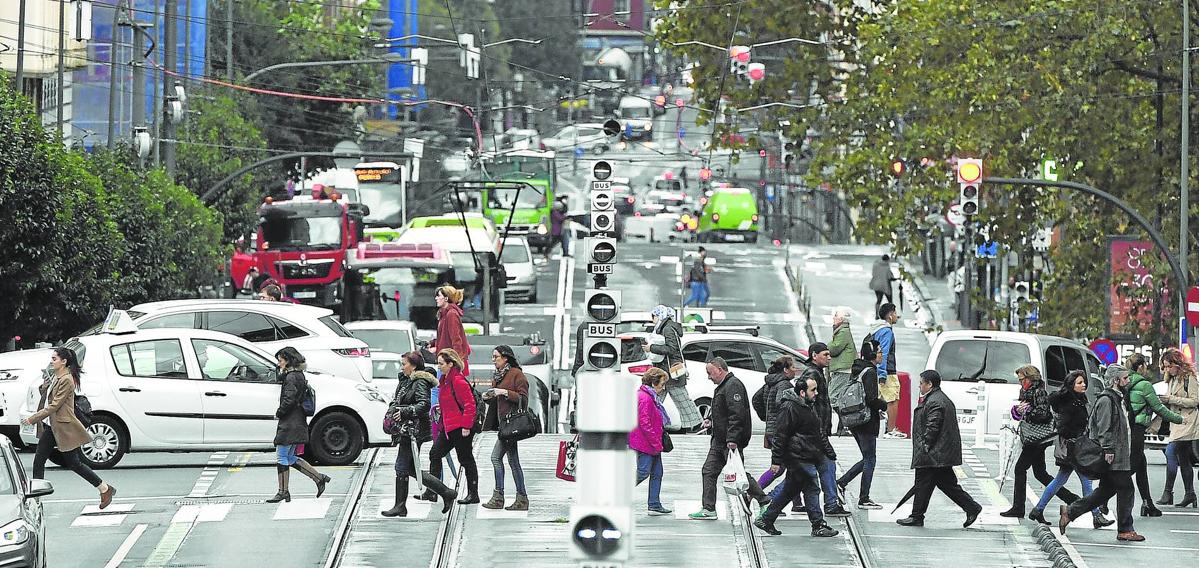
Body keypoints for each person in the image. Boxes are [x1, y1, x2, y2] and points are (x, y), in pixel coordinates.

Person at [1058, 365, 1144, 542]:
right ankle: (1125, 529)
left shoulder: (1118, 398)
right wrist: (1108, 449)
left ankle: (1070, 511)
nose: (1128, 381)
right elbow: (1104, 428)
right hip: (1114, 455)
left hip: (1119, 454)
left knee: (1105, 491)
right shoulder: (1107, 400)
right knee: (1126, 488)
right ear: (1115, 380)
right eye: (1125, 378)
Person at [22, 348, 116, 508]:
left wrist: (32, 419)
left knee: (70, 463)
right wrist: (45, 386)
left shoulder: (67, 380)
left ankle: (104, 488)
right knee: (44, 460)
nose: (52, 361)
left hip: (61, 426)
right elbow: (49, 398)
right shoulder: (57, 377)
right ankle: (104, 488)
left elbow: (54, 405)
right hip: (54, 425)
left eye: (54, 358)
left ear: (64, 361)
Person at [753, 376, 840, 538]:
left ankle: (767, 518)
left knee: (790, 490)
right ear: (801, 392)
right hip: (797, 457)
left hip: (806, 455)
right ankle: (818, 524)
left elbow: (816, 432)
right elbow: (780, 435)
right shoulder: (790, 408)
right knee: (812, 487)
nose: (816, 393)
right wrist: (776, 461)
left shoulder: (807, 406)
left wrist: (828, 452)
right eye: (812, 390)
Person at [897, 370, 982, 528]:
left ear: (930, 384)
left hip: (934, 453)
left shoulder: (935, 401)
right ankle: (971, 507)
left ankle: (917, 516)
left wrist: (925, 446)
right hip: (940, 453)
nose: (919, 386)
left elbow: (933, 426)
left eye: (921, 383)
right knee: (945, 483)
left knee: (923, 482)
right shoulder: (936, 398)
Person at [1028, 371, 1113, 527]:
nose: (1084, 385)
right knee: (1086, 483)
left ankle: (1038, 509)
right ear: (1071, 385)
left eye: (1084, 382)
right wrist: (1075, 438)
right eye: (1080, 383)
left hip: (1074, 448)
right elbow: (1063, 426)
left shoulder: (1078, 400)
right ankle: (1096, 516)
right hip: (1073, 449)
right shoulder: (1070, 403)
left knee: (1060, 480)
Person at [689, 358, 770, 519]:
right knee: (709, 471)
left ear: (720, 369)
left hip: (729, 441)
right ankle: (709, 508)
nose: (709, 377)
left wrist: (732, 439)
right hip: (719, 440)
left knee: (738, 474)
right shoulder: (723, 386)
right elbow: (723, 410)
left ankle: (764, 500)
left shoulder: (733, 385)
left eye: (710, 373)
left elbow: (737, 414)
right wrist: (711, 420)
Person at [382, 353, 457, 517]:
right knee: (408, 468)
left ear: (414, 365)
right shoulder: (405, 380)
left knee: (402, 467)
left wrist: (405, 411)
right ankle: (445, 492)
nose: (402, 367)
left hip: (415, 430)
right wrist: (393, 409)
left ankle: (400, 506)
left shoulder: (420, 381)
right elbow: (399, 400)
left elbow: (424, 404)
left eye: (404, 364)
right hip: (406, 428)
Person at [1000, 365, 1080, 518]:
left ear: (1030, 378)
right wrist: (1017, 410)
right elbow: (1020, 416)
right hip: (1032, 437)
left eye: (1022, 379)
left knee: (1020, 469)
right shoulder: (1024, 391)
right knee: (1040, 474)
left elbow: (1044, 414)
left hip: (1038, 438)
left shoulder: (1039, 391)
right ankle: (1071, 499)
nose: (1020, 383)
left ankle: (1018, 507)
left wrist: (1028, 410)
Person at [267, 347, 330, 503]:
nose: (278, 363)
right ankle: (319, 478)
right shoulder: (297, 375)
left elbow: (289, 399)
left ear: (288, 361)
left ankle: (283, 491)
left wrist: (279, 412)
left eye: (280, 360)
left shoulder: (291, 378)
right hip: (297, 421)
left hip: (290, 422)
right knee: (289, 456)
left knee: (282, 456)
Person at [1126, 353, 1181, 515]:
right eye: (1145, 365)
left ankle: (1148, 504)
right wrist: (1180, 419)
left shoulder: (1126, 381)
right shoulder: (1144, 385)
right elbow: (1159, 408)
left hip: (1129, 429)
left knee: (1141, 468)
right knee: (1129, 470)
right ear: (1141, 366)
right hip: (1137, 430)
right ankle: (1100, 501)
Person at [837, 339, 889, 509]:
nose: (882, 354)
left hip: (856, 421)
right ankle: (863, 497)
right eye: (880, 351)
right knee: (870, 459)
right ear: (873, 355)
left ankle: (842, 483)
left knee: (867, 458)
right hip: (866, 421)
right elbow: (871, 398)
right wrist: (883, 404)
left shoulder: (858, 368)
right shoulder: (870, 372)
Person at [798, 342, 849, 517]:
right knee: (823, 466)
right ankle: (830, 504)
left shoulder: (817, 372)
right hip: (815, 432)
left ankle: (831, 503)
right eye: (825, 355)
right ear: (814, 355)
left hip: (817, 430)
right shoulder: (812, 374)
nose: (829, 358)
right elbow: (807, 403)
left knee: (818, 468)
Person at [427, 349, 480, 505]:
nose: (439, 367)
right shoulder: (445, 381)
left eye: (441, 364)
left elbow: (470, 405)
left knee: (466, 459)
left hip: (460, 428)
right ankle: (434, 491)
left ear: (451, 364)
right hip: (449, 428)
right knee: (435, 454)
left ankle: (473, 493)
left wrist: (466, 426)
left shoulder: (458, 381)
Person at [482, 345, 531, 511]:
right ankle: (521, 498)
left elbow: (523, 399)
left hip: (512, 425)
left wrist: (503, 392)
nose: (493, 360)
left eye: (496, 356)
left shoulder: (517, 374)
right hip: (504, 425)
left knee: (496, 458)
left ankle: (499, 497)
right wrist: (489, 396)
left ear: (505, 358)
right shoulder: (499, 376)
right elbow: (498, 402)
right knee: (513, 462)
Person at [644, 305, 700, 430]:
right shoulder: (664, 328)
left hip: (670, 372)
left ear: (660, 316)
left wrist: (651, 348)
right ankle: (649, 423)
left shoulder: (667, 329)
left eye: (654, 316)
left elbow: (672, 349)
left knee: (679, 400)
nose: (652, 319)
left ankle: (696, 425)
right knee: (655, 400)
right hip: (664, 372)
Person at [1158, 348, 1199, 508]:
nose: (1167, 369)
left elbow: (1195, 401)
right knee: (1183, 458)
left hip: (1188, 422)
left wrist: (1172, 399)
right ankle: (1190, 493)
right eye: (1165, 367)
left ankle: (1168, 492)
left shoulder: (1190, 378)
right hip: (1176, 421)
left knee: (1170, 452)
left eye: (1169, 366)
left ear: (1178, 364)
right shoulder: (1172, 379)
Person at [630, 367, 672, 515]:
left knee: (657, 472)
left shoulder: (648, 396)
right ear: (654, 383)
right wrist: (656, 442)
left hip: (650, 441)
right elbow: (644, 422)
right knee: (643, 471)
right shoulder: (645, 397)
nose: (663, 387)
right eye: (662, 383)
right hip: (645, 442)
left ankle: (654, 504)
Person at [868, 303, 905, 438]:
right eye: (895, 313)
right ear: (890, 315)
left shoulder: (877, 329)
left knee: (881, 399)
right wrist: (882, 373)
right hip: (887, 371)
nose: (897, 316)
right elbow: (882, 352)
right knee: (893, 399)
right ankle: (890, 430)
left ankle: (885, 428)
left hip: (879, 369)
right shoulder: (886, 331)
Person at [826, 308, 856, 434]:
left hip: (842, 369)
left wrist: (825, 347)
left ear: (842, 319)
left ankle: (845, 422)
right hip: (842, 369)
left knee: (833, 397)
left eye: (836, 316)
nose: (833, 318)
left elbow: (834, 348)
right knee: (839, 398)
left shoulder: (843, 331)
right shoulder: (842, 331)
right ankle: (842, 426)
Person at [432, 285, 471, 374]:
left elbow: (456, 340)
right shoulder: (444, 314)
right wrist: (432, 343)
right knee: (440, 387)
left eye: (438, 296)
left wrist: (457, 362)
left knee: (439, 387)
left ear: (446, 298)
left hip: (449, 363)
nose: (436, 298)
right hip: (445, 361)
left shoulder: (451, 314)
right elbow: (444, 336)